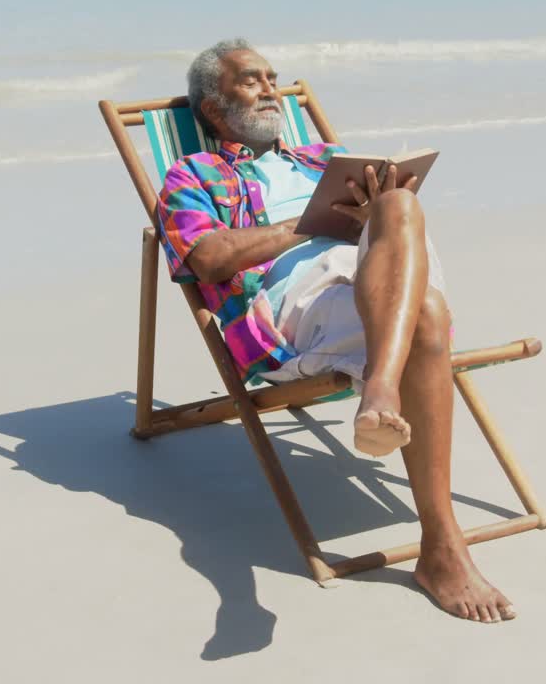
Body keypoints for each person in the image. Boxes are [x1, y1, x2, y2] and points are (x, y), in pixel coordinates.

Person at [155, 38, 515, 623]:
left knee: (397, 206)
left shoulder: (326, 158)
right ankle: (442, 545)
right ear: (214, 108)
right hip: (293, 302)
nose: (270, 89)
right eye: (251, 80)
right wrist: (311, 224)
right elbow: (209, 259)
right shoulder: (192, 174)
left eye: (273, 78)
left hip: (377, 278)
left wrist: (373, 214)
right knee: (425, 314)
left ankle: (380, 387)